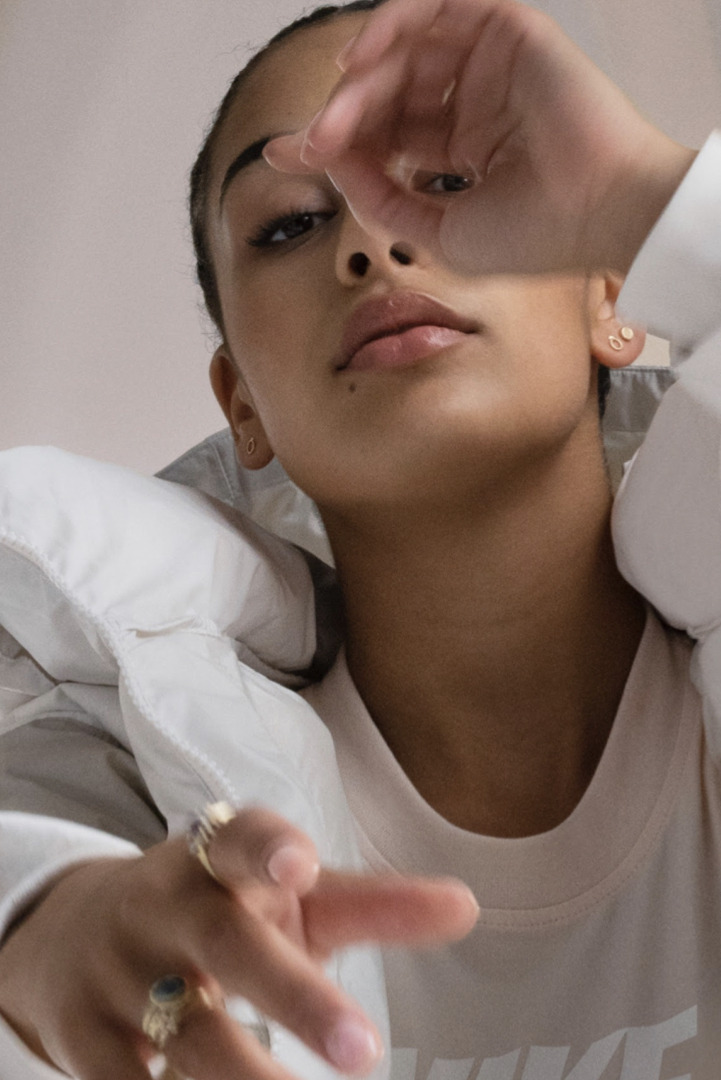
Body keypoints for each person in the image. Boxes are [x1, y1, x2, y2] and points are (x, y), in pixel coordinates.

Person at [0, 0, 719, 1077]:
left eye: (450, 181)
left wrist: (645, 199)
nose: (371, 242)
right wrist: (37, 927)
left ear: (612, 297)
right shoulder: (130, 769)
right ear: (241, 404)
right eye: (289, 224)